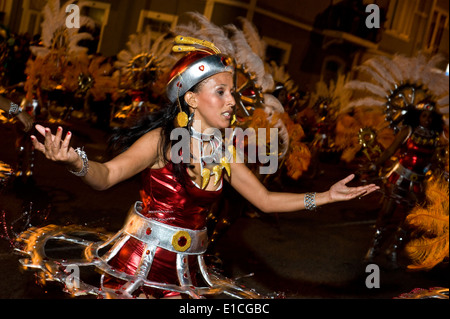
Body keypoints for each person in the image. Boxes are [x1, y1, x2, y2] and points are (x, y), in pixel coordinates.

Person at [25, 36, 379, 299]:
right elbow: (106, 177)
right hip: (137, 264)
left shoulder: (225, 151)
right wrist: (74, 160)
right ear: (192, 99)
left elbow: (266, 200)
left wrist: (327, 197)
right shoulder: (162, 141)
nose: (232, 102)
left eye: (233, 93)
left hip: (189, 269)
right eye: (221, 92)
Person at [364, 103, 445, 267]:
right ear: (418, 116)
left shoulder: (435, 138)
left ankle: (393, 249)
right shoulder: (408, 131)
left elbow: (433, 161)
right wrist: (376, 164)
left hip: (418, 183)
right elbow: (390, 151)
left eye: (430, 117)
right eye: (423, 116)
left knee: (411, 219)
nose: (427, 120)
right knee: (386, 213)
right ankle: (373, 248)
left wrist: (441, 173)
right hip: (399, 178)